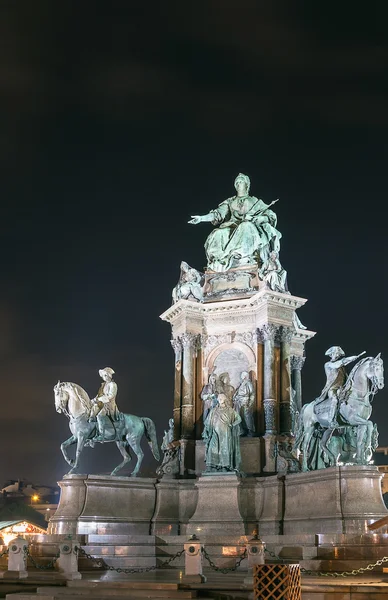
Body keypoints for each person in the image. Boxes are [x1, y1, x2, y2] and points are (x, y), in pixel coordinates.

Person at [188, 173, 281, 272]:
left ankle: (238, 256)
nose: (238, 183)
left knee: (245, 226)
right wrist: (201, 218)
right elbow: (217, 214)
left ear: (247, 185)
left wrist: (261, 219)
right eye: (236, 182)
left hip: (249, 227)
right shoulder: (230, 202)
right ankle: (223, 261)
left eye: (241, 181)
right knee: (217, 233)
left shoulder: (255, 201)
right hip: (232, 227)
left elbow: (270, 215)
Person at [315, 347, 365, 428]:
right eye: (336, 353)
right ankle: (331, 420)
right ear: (331, 354)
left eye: (338, 354)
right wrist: (350, 358)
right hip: (332, 389)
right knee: (334, 399)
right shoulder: (328, 364)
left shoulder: (342, 368)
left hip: (342, 389)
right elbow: (338, 364)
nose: (337, 355)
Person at [203, 393, 242, 472]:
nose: (220, 399)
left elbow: (239, 418)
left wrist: (232, 424)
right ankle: (212, 466)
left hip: (225, 433)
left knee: (224, 449)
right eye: (219, 398)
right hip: (214, 433)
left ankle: (224, 466)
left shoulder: (230, 410)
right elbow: (207, 422)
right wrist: (207, 430)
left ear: (225, 399)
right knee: (212, 448)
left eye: (221, 397)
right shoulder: (214, 410)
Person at [89, 367, 120, 443]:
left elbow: (110, 396)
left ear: (109, 375)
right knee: (91, 413)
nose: (104, 377)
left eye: (105, 375)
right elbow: (99, 395)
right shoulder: (103, 385)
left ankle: (101, 436)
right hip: (101, 403)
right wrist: (92, 401)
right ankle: (92, 434)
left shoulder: (113, 385)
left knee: (100, 416)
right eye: (103, 376)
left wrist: (99, 399)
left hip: (108, 405)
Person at [233, 371, 255, 436]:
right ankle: (241, 431)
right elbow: (237, 392)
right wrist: (235, 398)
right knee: (238, 416)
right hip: (238, 402)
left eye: (242, 375)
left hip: (245, 401)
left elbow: (252, 394)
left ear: (245, 376)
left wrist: (250, 403)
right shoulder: (240, 384)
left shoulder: (248, 383)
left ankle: (250, 430)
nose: (241, 377)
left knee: (247, 416)